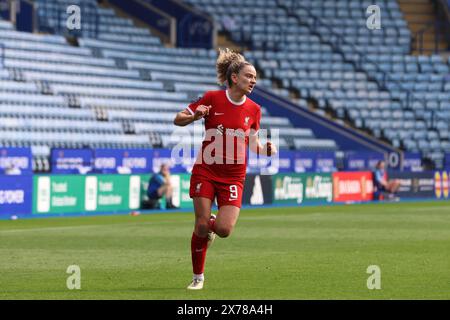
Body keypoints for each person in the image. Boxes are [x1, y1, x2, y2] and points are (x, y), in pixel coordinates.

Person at [173, 48, 277, 290]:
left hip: (233, 176)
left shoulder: (254, 109)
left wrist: (265, 151)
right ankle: (198, 277)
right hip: (206, 170)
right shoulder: (211, 98)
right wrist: (194, 116)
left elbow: (253, 144)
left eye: (255, 77)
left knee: (223, 229)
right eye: (249, 76)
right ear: (234, 78)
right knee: (200, 225)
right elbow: (177, 118)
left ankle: (210, 224)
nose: (253, 81)